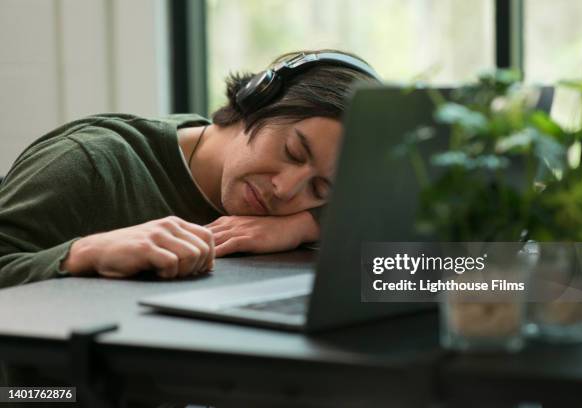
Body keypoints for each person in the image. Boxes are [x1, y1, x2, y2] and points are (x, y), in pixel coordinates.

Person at [0, 49, 380, 288]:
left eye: (319, 189)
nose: (286, 190)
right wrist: (82, 253)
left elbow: (422, 274)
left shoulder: (292, 216)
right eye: (293, 152)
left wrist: (305, 224)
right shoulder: (88, 162)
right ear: (259, 100)